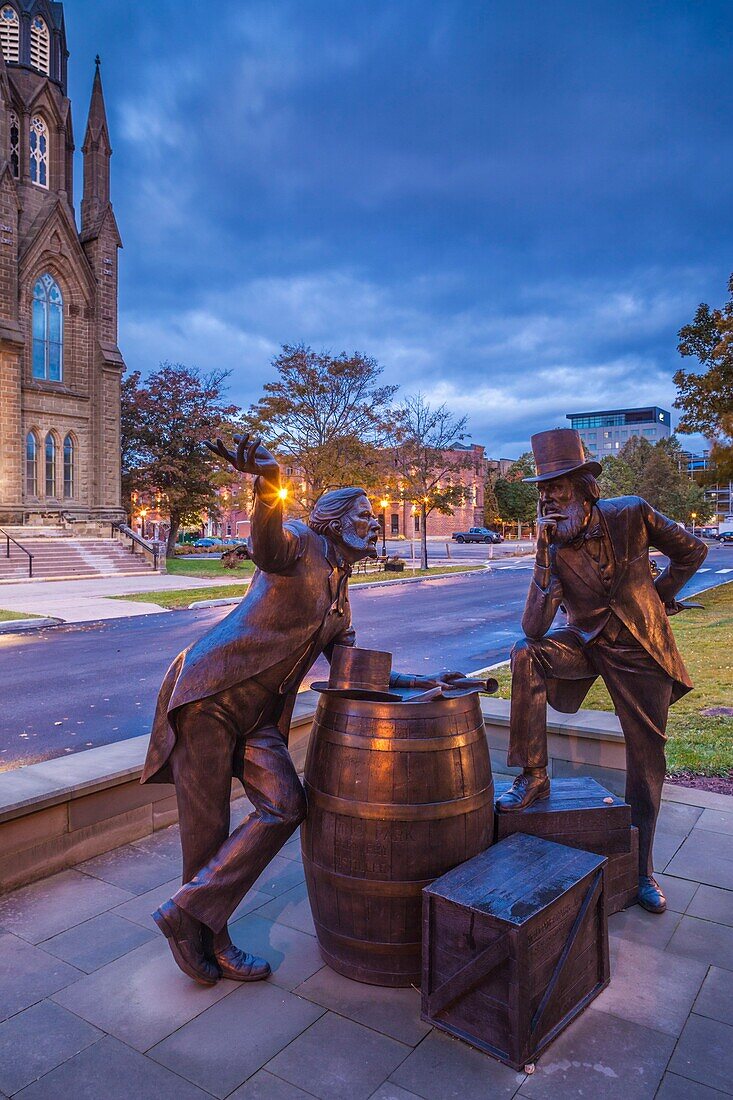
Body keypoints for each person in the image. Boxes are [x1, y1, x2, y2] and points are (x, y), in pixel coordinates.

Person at [142, 435, 455, 984]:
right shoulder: (297, 544)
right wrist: (268, 484)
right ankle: (208, 941)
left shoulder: (341, 583)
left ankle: (186, 912)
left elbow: (349, 664)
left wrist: (417, 679)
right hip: (209, 696)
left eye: (375, 515)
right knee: (207, 828)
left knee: (286, 806)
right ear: (331, 521)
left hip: (257, 717)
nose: (375, 522)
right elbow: (265, 541)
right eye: (364, 515)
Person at [495, 428, 707, 914]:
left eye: (557, 487)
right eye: (542, 489)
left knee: (645, 759)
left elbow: (692, 551)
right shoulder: (551, 542)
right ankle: (533, 776)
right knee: (525, 654)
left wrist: (662, 595)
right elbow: (532, 628)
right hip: (586, 645)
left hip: (639, 650)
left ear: (586, 485)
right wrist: (545, 562)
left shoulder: (630, 512)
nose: (547, 498)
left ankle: (643, 870)